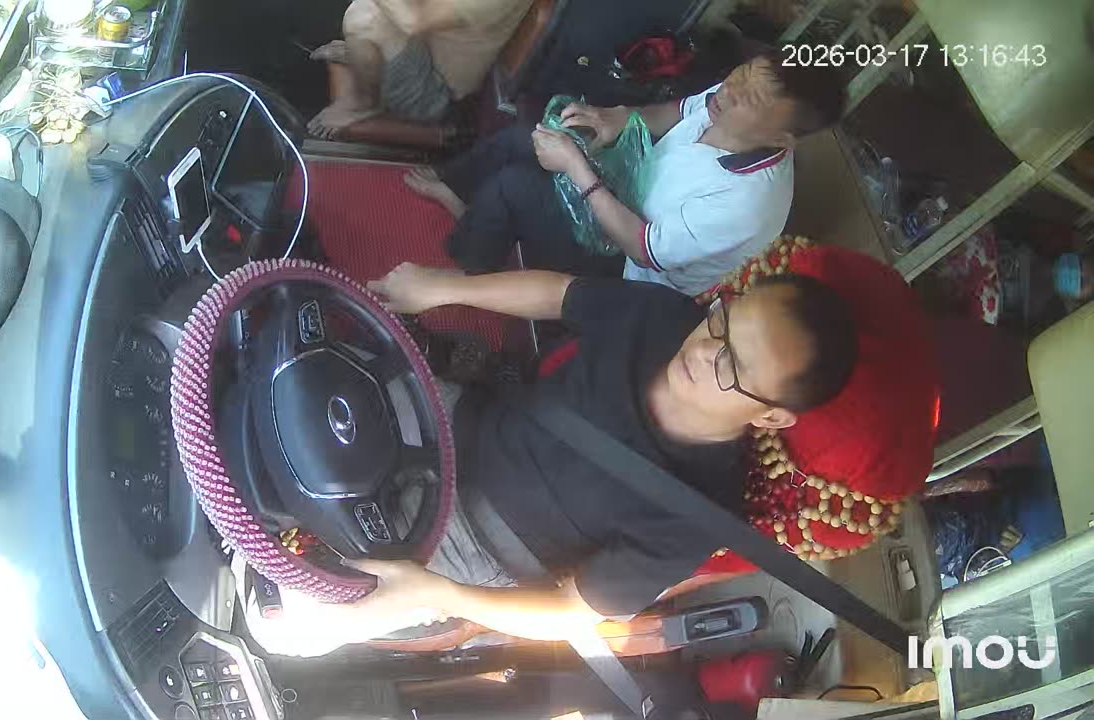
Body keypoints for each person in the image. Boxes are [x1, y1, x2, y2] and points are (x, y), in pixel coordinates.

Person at [246, 262, 857, 653]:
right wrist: (441, 288)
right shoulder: (666, 317)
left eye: (733, 366)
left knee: (286, 624)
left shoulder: (699, 514)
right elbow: (560, 295)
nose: (703, 351)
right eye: (722, 322)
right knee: (284, 386)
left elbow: (571, 613)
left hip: (473, 547)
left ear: (770, 417)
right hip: (458, 422)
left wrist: (434, 595)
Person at [404, 54, 846, 295]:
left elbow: (643, 249)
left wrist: (576, 167)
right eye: (742, 72)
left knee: (514, 189)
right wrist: (617, 117)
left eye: (749, 98)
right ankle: (460, 195)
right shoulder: (728, 96)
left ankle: (470, 274)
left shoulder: (748, 204)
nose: (729, 91)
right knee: (525, 137)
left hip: (627, 270)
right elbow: (677, 110)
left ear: (783, 138)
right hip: (630, 188)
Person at [307, 0, 533, 139]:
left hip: (435, 92)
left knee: (364, 18)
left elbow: (412, 20)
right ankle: (370, 53)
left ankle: (363, 104)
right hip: (422, 46)